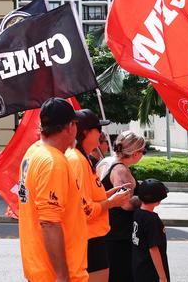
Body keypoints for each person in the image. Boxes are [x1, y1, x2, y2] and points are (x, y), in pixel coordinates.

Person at [18, 97, 88, 282]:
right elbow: (49, 223)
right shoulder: (53, 163)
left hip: (40, 268)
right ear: (70, 126)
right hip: (55, 273)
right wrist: (62, 275)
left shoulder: (34, 151)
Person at [66, 110, 131, 281]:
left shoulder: (82, 158)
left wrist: (109, 194)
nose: (101, 134)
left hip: (92, 237)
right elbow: (84, 210)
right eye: (98, 129)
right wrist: (111, 202)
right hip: (88, 238)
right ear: (86, 132)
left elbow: (88, 196)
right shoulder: (77, 160)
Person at [97, 130, 146, 282]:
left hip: (109, 231)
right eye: (143, 151)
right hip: (119, 235)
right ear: (136, 153)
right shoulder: (120, 170)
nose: (143, 154)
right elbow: (125, 203)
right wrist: (145, 198)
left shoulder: (106, 163)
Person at [132, 179, 170, 282]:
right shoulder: (152, 220)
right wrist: (162, 277)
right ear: (158, 200)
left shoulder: (137, 213)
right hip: (151, 271)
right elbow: (153, 249)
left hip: (139, 266)